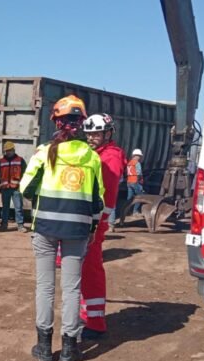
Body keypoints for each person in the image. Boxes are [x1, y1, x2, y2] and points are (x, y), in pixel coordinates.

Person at [20, 95, 104, 361]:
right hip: (78, 231)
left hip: (44, 227)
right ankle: (69, 349)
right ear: (80, 123)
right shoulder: (92, 157)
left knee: (45, 287)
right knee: (71, 289)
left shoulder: (45, 152)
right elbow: (97, 200)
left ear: (56, 121)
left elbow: (25, 188)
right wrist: (91, 227)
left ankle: (44, 347)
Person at [79, 113, 127, 340]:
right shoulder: (95, 154)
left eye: (96, 134)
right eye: (89, 134)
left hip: (94, 224)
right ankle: (86, 315)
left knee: (90, 270)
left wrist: (96, 226)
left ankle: (95, 322)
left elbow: (107, 196)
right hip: (87, 221)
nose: (91, 138)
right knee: (81, 271)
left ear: (108, 133)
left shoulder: (110, 157)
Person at [0, 141, 28, 232]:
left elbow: (26, 173)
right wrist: (0, 183)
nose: (8, 152)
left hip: (16, 188)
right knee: (5, 208)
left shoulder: (20, 160)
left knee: (18, 207)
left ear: (13, 150)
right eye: (6, 151)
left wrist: (21, 184)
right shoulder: (1, 161)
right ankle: (4, 225)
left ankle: (20, 225)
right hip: (5, 189)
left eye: (10, 150)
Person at [127, 149, 145, 215]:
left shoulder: (129, 163)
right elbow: (139, 173)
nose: (140, 158)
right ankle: (135, 211)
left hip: (129, 182)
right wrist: (140, 182)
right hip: (135, 182)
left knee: (129, 198)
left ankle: (126, 211)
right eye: (140, 156)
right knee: (140, 197)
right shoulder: (137, 163)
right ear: (137, 156)